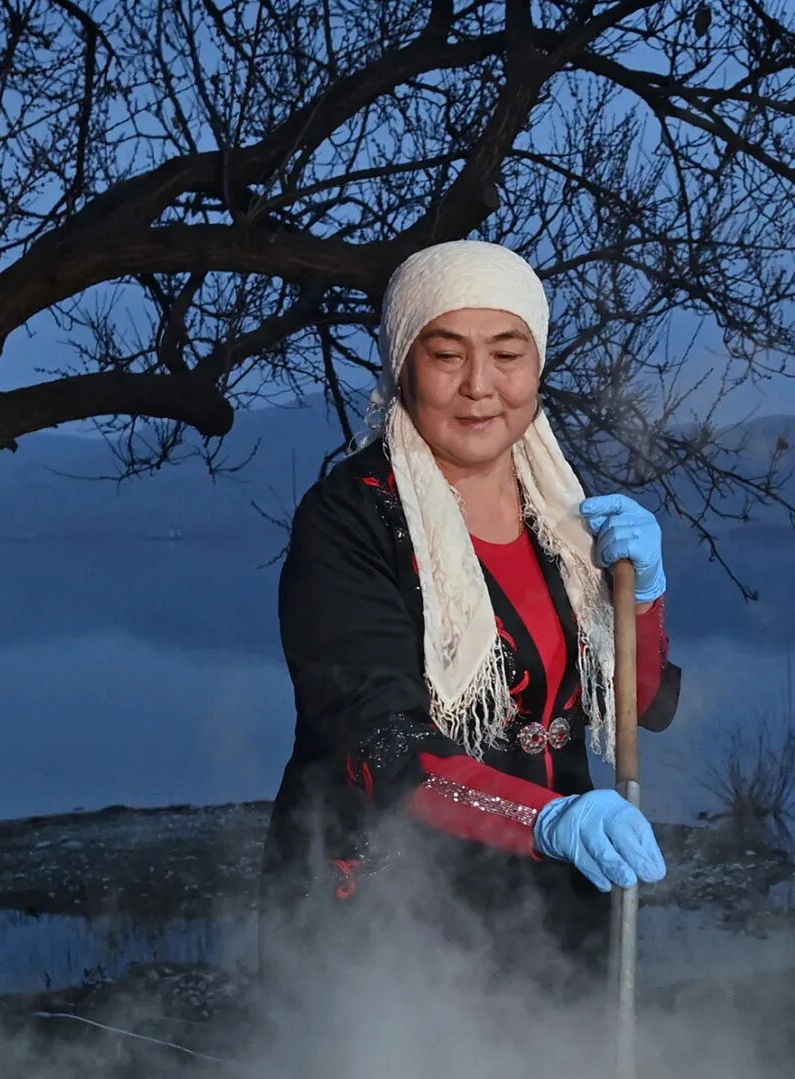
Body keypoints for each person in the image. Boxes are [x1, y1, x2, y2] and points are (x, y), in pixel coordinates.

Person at [264, 241, 679, 965]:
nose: (479, 386)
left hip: (556, 912)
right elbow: (380, 747)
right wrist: (548, 819)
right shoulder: (348, 521)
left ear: (538, 364)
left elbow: (634, 703)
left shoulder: (567, 517)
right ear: (404, 366)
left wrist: (643, 599)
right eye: (447, 355)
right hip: (394, 927)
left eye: (508, 353)